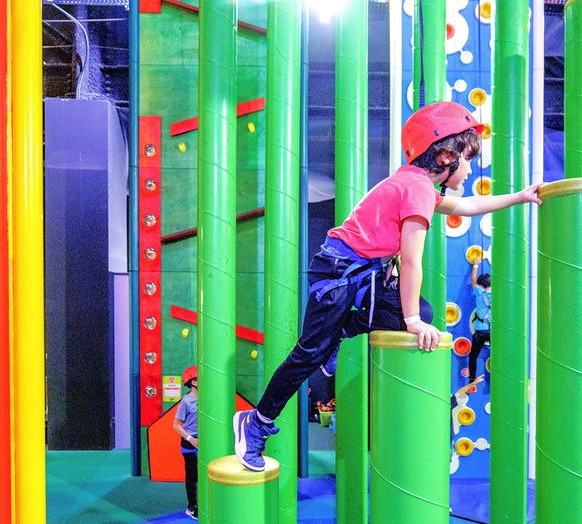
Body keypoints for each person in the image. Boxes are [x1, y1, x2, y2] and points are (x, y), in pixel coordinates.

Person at [233, 101, 545, 472]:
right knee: (309, 353)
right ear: (446, 157)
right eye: (467, 157)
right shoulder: (416, 189)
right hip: (338, 276)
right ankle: (257, 423)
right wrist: (412, 319)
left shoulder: (418, 185)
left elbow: (466, 207)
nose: (470, 166)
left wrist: (521, 197)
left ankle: (339, 333)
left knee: (422, 311)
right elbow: (412, 259)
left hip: (364, 275)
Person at [173, 366, 199, 520]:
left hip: (204, 440)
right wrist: (191, 439)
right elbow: (176, 425)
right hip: (190, 442)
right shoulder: (186, 402)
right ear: (193, 382)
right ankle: (192, 506)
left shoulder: (205, 397)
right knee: (191, 476)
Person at [467, 256, 491, 386]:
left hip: (480, 331)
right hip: (493, 331)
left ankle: (472, 381)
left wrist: (475, 265)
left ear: (481, 285)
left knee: (473, 356)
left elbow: (472, 280)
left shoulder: (479, 292)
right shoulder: (498, 294)